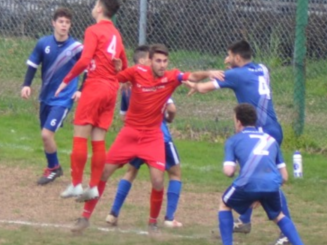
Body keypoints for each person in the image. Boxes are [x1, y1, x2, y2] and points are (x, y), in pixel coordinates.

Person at [70, 44, 217, 234]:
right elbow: (116, 77)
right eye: (158, 60)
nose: (162, 65)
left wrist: (208, 72)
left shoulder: (171, 77)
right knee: (104, 172)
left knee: (157, 180)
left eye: (165, 61)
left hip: (152, 136)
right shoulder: (137, 72)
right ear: (149, 61)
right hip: (129, 133)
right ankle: (85, 217)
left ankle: (153, 223)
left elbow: (192, 77)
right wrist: (115, 71)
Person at [189, 40, 292, 245]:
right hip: (272, 128)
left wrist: (190, 83)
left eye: (228, 56)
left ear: (237, 57)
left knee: (268, 182)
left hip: (261, 132)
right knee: (251, 176)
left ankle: (287, 232)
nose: (226, 60)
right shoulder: (262, 68)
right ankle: (244, 221)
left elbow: (201, 88)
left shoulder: (237, 74)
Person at [213, 103, 314, 245]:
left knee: (224, 204)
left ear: (238, 122)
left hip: (247, 184)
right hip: (272, 185)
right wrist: (262, 192)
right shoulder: (271, 140)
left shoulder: (233, 140)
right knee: (278, 215)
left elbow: (228, 171)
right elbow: (285, 177)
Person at [54, 0, 127, 201]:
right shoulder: (116, 34)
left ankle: (76, 184)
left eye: (95, 4)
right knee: (98, 140)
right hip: (111, 90)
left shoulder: (93, 30)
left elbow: (85, 60)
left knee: (80, 136)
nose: (93, 7)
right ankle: (93, 187)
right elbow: (123, 64)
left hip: (95, 86)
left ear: (100, 9)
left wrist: (67, 80)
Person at [105, 45, 184, 229]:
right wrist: (168, 119)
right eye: (153, 60)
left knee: (131, 171)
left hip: (134, 136)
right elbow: (171, 108)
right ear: (144, 62)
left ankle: (113, 213)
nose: (158, 65)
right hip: (158, 136)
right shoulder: (158, 81)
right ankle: (168, 218)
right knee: (174, 173)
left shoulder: (127, 88)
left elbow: (123, 115)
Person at [21, 7, 84, 185]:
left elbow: (87, 69)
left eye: (67, 23)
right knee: (45, 134)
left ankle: (53, 168)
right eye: (61, 22)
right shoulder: (43, 43)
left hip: (64, 99)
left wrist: (81, 89)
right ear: (53, 23)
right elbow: (33, 65)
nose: (64, 25)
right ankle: (54, 168)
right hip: (45, 97)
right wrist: (26, 84)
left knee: (46, 135)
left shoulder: (76, 48)